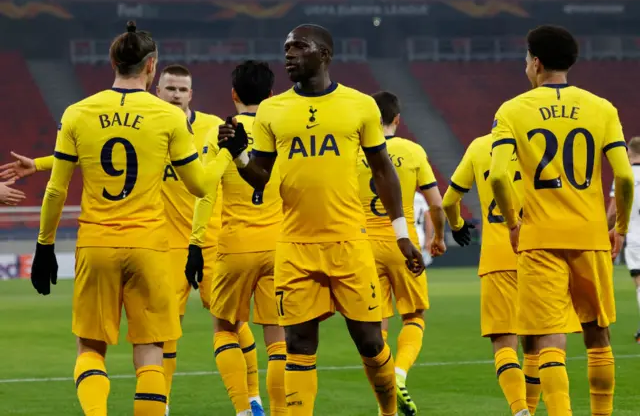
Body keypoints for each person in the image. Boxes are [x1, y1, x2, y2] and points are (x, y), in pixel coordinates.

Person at [0, 64, 261, 415]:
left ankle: (252, 402)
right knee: (161, 338)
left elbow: (229, 175)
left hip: (207, 242)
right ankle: (161, 405)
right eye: (170, 88)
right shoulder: (154, 125)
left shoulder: (213, 127)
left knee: (230, 322)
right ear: (157, 88)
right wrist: (42, 163)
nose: (176, 95)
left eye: (183, 90)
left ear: (191, 94)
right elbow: (104, 155)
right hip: (161, 245)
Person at [218, 24, 423, 416]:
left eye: (298, 47)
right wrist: (239, 155)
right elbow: (260, 176)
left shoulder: (360, 105)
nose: (289, 55)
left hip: (349, 241)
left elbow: (384, 170)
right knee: (297, 344)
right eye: (285, 48)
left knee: (369, 340)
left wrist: (401, 234)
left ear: (324, 55)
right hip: (294, 245)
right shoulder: (272, 111)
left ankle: (388, 410)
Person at [490, 24, 634, 416]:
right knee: (597, 335)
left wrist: (513, 223)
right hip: (590, 236)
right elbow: (623, 175)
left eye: (525, 58)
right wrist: (619, 228)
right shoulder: (602, 108)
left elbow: (499, 175)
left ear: (535, 62)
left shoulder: (512, 110)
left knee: (550, 339)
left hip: (539, 239)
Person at [444, 131, 578, 416]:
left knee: (504, 342)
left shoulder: (479, 146)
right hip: (541, 253)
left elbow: (448, 201)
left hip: (497, 255)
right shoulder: (537, 144)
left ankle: (521, 411)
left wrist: (456, 225)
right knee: (543, 340)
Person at [188, 60, 285, 416]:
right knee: (278, 340)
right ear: (272, 94)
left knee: (225, 328)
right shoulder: (280, 130)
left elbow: (206, 192)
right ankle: (279, 411)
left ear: (233, 94)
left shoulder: (222, 134)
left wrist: (196, 243)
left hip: (234, 246)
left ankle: (244, 410)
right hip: (278, 245)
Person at [356, 91, 445, 416]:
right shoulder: (412, 151)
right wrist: (437, 237)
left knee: (374, 327)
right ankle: (399, 372)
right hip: (402, 242)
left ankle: (386, 407)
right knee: (414, 315)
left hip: (363, 248)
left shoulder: (355, 152)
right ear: (397, 119)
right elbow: (436, 202)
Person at [606, 136, 640, 343]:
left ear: (629, 152)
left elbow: (613, 211)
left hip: (636, 237)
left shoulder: (624, 175)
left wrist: (607, 229)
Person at [413, 191, 433, 266]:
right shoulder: (419, 197)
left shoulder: (399, 195)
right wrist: (428, 240)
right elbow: (428, 218)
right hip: (419, 235)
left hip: (405, 233)